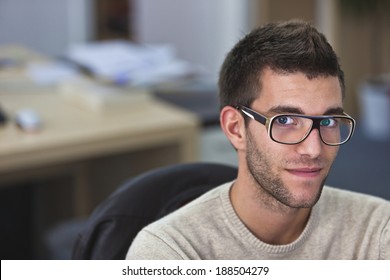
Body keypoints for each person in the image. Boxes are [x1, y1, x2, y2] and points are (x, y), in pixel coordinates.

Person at [126, 20, 390, 259]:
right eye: (285, 121)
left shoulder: (377, 231)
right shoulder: (170, 253)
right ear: (235, 128)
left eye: (328, 121)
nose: (313, 148)